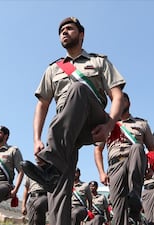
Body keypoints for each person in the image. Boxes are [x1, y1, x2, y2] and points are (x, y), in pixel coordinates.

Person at [21, 16, 126, 225]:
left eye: (69, 28)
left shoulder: (98, 61)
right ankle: (53, 170)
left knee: (78, 89)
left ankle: (50, 161)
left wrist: (109, 125)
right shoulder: (53, 69)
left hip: (93, 120)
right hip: (66, 129)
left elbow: (118, 96)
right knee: (59, 185)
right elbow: (42, 105)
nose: (64, 32)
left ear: (82, 34)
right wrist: (36, 139)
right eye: (61, 30)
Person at [94, 92, 154, 225]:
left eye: (121, 100)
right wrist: (101, 172)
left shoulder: (141, 123)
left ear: (127, 103)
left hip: (134, 161)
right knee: (118, 211)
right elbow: (98, 150)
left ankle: (134, 194)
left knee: (137, 148)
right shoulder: (107, 124)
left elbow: (152, 149)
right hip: (115, 165)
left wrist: (152, 168)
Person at [22, 161, 48, 225]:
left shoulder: (49, 170)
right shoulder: (30, 170)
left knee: (39, 205)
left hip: (44, 196)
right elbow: (26, 189)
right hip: (32, 197)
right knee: (31, 222)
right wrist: (23, 205)